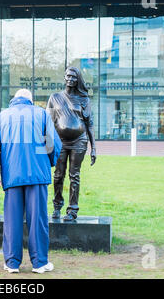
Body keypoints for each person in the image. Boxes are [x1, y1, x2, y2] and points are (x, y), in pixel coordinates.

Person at [0, 89, 62, 274]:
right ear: (30, 100)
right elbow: (52, 144)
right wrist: (48, 162)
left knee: (12, 219)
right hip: (36, 173)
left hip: (12, 174)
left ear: (14, 99)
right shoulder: (42, 114)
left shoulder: (1, 117)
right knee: (37, 219)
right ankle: (39, 263)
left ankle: (12, 263)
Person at [46, 67, 97, 221]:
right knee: (58, 175)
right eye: (68, 76)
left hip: (79, 141)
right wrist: (47, 146)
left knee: (74, 176)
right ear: (64, 77)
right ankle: (56, 207)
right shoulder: (54, 98)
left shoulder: (84, 99)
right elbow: (48, 123)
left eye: (74, 77)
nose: (70, 79)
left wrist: (94, 148)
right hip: (60, 141)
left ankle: (72, 210)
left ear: (78, 80)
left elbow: (90, 124)